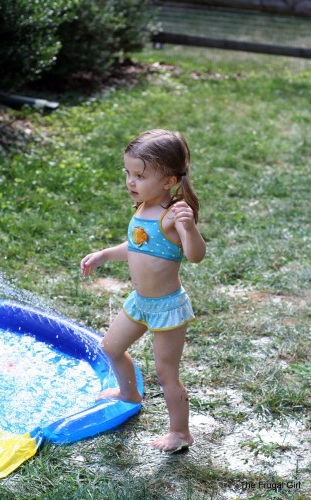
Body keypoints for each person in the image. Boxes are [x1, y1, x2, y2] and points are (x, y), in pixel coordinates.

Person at [80, 129, 206, 452]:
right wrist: (106, 254)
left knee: (166, 374)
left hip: (166, 307)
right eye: (128, 173)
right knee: (111, 346)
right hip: (140, 303)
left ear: (168, 181)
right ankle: (129, 393)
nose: (130, 182)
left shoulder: (170, 216)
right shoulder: (143, 208)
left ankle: (180, 432)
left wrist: (189, 228)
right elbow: (138, 245)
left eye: (139, 175)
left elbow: (195, 255)